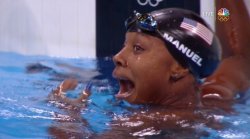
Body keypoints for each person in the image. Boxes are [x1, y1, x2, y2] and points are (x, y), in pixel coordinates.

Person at [48, 6, 250, 138]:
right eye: (124, 46)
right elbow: (240, 58)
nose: (117, 57)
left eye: (138, 48)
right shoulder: (217, 96)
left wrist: (67, 116)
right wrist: (223, 8)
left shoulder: (140, 124)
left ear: (178, 68)